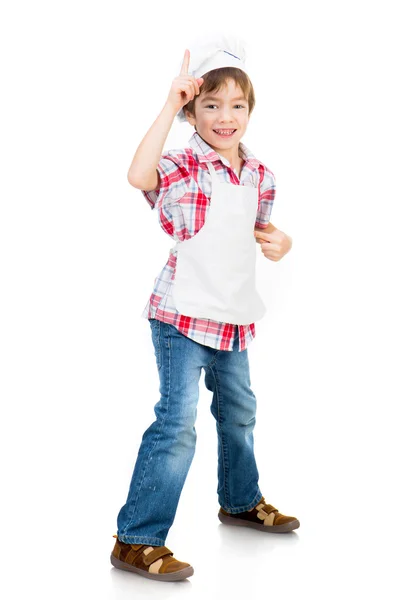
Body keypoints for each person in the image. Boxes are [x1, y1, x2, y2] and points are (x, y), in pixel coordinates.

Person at [110, 35, 299, 582]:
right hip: (182, 317)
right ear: (193, 111)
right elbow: (138, 177)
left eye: (236, 105)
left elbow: (258, 232)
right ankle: (136, 538)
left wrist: (282, 243)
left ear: (250, 111)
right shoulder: (186, 162)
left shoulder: (260, 174)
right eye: (210, 105)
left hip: (233, 316)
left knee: (240, 411)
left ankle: (240, 501)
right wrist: (169, 105)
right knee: (177, 424)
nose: (225, 116)